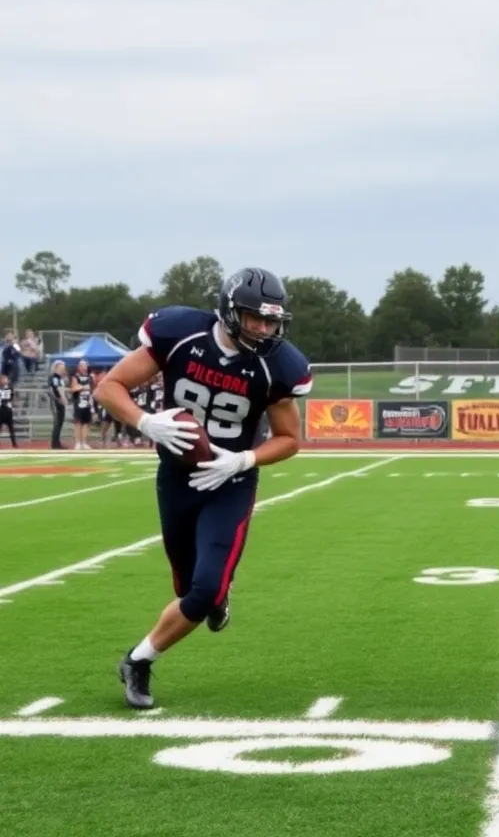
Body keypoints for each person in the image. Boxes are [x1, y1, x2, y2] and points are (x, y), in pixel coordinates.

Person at [95, 267, 312, 710]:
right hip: (176, 475)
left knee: (206, 588)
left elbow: (290, 438)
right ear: (231, 311)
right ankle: (210, 596)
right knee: (186, 586)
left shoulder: (278, 364)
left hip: (230, 479)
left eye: (272, 321)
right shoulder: (179, 333)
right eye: (255, 318)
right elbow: (109, 387)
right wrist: (145, 421)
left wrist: (244, 458)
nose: (265, 329)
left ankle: (138, 660)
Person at [69, 359, 94, 450]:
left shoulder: (90, 377)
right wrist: (83, 387)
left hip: (87, 402)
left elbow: (92, 389)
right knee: (78, 423)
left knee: (86, 423)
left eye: (85, 365)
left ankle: (84, 442)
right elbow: (73, 388)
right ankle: (78, 442)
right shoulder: (75, 377)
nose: (84, 367)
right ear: (79, 367)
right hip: (78, 402)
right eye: (82, 365)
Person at [48, 360, 68, 449]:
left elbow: (62, 389)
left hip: (60, 402)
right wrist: (60, 398)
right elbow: (54, 389)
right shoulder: (54, 377)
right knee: (57, 423)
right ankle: (54, 444)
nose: (63, 370)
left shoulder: (60, 378)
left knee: (60, 423)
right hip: (56, 402)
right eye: (61, 368)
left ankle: (57, 442)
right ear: (56, 368)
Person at [0, 373, 16, 447]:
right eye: (4, 379)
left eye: (6, 379)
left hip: (7, 409)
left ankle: (14, 443)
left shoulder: (9, 387)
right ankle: (14, 443)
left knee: (11, 427)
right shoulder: (7, 387)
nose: (6, 380)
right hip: (2, 409)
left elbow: (12, 396)